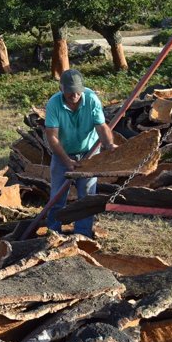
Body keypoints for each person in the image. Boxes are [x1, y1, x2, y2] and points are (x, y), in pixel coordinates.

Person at [45, 69, 117, 238]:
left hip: (88, 152)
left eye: (77, 91)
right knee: (57, 195)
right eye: (70, 92)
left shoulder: (91, 99)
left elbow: (101, 126)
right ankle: (53, 232)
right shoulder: (54, 104)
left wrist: (110, 145)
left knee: (86, 195)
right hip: (63, 153)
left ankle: (82, 234)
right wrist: (67, 161)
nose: (74, 95)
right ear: (61, 88)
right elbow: (52, 137)